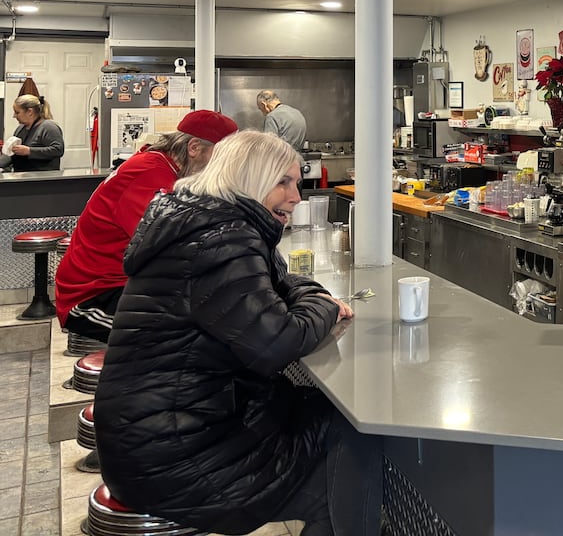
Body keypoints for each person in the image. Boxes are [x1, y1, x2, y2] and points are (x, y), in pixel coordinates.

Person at [93, 131, 381, 535]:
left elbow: (283, 284)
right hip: (175, 459)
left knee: (331, 415)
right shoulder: (221, 238)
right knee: (348, 454)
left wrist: (308, 296)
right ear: (249, 180)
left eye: (296, 183)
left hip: (158, 437)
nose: (296, 197)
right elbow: (278, 341)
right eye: (283, 182)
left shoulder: (208, 222)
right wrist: (327, 306)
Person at [54, 110, 238, 341]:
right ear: (194, 148)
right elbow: (171, 250)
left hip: (128, 285)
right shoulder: (150, 175)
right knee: (196, 336)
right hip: (94, 295)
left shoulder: (165, 168)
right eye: (223, 157)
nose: (226, 167)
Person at [1, 93, 65, 171]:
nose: (14, 116)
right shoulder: (20, 129)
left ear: (30, 112)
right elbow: (12, 154)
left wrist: (29, 151)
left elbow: (58, 150)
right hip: (23, 176)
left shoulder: (49, 128)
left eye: (17, 112)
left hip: (43, 176)